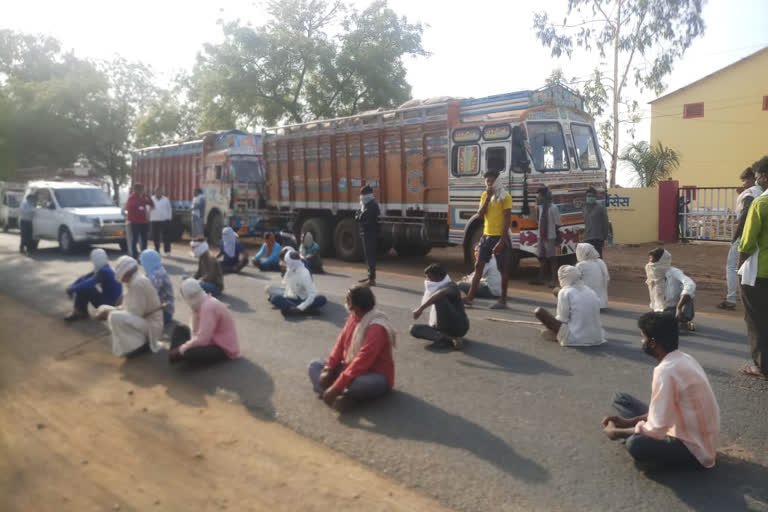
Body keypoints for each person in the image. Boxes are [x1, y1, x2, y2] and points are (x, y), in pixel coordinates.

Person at [602, 312, 720, 469]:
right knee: (621, 399)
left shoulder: (665, 371)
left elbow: (657, 429)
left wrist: (616, 432)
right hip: (690, 431)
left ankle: (657, 456)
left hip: (694, 450)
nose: (641, 341)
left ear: (652, 343)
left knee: (635, 444)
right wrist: (628, 422)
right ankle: (636, 430)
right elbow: (664, 414)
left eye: (642, 337)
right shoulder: (684, 358)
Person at [308, 285, 395, 411]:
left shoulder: (377, 327)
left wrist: (337, 386)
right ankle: (344, 396)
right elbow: (340, 343)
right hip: (348, 368)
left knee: (359, 384)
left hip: (374, 376)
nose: (346, 304)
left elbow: (362, 361)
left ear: (354, 307)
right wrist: (329, 368)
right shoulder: (353, 317)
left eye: (348, 300)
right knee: (314, 366)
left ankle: (337, 393)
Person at [94, 256, 165, 357]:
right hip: (141, 318)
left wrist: (110, 312)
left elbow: (136, 313)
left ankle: (139, 344)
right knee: (103, 308)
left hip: (151, 324)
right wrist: (111, 310)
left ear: (127, 272)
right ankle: (135, 342)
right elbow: (128, 306)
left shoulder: (138, 283)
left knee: (114, 317)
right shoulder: (132, 280)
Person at [463, 169, 512, 309]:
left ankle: (503, 300)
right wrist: (487, 199)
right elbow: (480, 214)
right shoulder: (485, 195)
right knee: (478, 266)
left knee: (503, 269)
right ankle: (469, 298)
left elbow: (507, 221)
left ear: (497, 181)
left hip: (499, 236)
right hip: (486, 235)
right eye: (487, 181)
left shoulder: (505, 197)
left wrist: (502, 241)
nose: (489, 184)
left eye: (491, 181)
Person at [738, 157, 768, 379]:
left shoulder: (761, 203)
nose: (757, 180)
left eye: (758, 176)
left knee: (757, 319)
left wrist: (740, 265)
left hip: (759, 273)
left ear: (765, 176)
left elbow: (747, 242)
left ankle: (761, 366)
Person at [719, 167, 763, 310]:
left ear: (753, 179)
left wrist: (735, 236)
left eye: (745, 180)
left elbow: (745, 216)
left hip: (746, 234)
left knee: (732, 267)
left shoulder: (749, 194)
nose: (743, 183)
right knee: (753, 267)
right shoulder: (762, 192)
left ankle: (731, 299)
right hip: (761, 236)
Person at [168, 279, 240, 365]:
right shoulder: (201, 302)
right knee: (180, 329)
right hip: (210, 340)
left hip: (223, 348)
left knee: (189, 353)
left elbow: (203, 339)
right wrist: (184, 347)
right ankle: (177, 355)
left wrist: (181, 349)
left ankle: (178, 355)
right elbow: (195, 331)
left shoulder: (208, 307)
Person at [534, 265, 606, 347]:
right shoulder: (590, 290)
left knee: (538, 312)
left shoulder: (564, 292)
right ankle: (558, 334)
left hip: (577, 338)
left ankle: (559, 335)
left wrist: (550, 325)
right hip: (597, 336)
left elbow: (562, 318)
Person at [410, 263, 469, 350]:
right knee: (414, 329)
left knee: (439, 298)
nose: (427, 280)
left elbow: (441, 293)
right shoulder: (436, 287)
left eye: (429, 277)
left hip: (458, 326)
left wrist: (421, 309)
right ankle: (450, 339)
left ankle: (444, 336)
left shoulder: (451, 286)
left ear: (438, 277)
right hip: (440, 327)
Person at [64, 248, 123, 322]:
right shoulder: (105, 268)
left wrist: (72, 289)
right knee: (84, 284)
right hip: (113, 302)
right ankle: (81, 311)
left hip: (110, 305)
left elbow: (89, 283)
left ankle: (78, 312)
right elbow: (84, 277)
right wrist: (72, 287)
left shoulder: (104, 272)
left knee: (86, 288)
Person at [646, 248, 696, 333]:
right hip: (663, 309)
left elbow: (690, 284)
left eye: (654, 262)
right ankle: (674, 323)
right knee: (647, 322)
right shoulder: (652, 274)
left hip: (675, 308)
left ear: (662, 261)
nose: (651, 264)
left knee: (689, 294)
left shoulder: (674, 272)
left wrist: (679, 307)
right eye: (650, 261)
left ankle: (683, 320)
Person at [268, 250, 327, 316]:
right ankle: (306, 310)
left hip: (304, 299)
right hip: (293, 298)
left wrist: (300, 308)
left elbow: (312, 294)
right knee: (274, 298)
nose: (286, 264)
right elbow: (286, 285)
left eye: (287, 262)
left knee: (322, 299)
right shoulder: (290, 270)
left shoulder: (305, 273)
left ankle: (297, 310)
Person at [531, 186, 561, 287]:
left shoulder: (553, 208)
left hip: (550, 236)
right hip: (541, 236)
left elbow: (557, 224)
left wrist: (558, 238)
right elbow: (537, 220)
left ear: (545, 196)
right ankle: (541, 278)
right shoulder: (539, 208)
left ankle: (554, 280)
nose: (538, 197)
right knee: (542, 258)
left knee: (552, 259)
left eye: (539, 195)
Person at [140, 249, 174, 326]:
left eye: (143, 260)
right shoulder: (155, 270)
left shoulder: (157, 274)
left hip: (164, 313)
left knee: (135, 321)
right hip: (161, 309)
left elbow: (149, 295)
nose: (142, 263)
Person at [355, 185, 380, 286]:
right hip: (367, 233)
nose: (361, 197)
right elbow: (359, 216)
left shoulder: (371, 205)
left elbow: (359, 217)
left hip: (370, 233)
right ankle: (370, 276)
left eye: (362, 195)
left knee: (370, 256)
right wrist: (359, 214)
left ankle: (371, 279)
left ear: (367, 195)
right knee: (368, 256)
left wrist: (358, 214)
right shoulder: (367, 205)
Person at [575, 242, 609, 309]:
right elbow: (607, 278)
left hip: (588, 304)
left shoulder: (581, 265)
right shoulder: (600, 262)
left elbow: (574, 279)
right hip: (602, 303)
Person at [124, 183, 154, 259]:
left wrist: (148, 196)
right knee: (135, 239)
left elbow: (151, 204)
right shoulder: (132, 197)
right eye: (141, 189)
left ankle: (144, 255)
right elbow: (129, 207)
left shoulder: (143, 197)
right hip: (135, 222)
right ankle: (134, 255)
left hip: (143, 222)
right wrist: (140, 205)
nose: (142, 191)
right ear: (136, 189)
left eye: (142, 189)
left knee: (144, 240)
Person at [582, 186, 610, 257]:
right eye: (588, 196)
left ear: (595, 196)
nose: (590, 197)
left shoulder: (601, 208)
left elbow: (605, 223)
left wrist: (604, 236)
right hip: (587, 238)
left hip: (598, 238)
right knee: (587, 258)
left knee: (598, 258)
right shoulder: (584, 208)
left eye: (592, 196)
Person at [150, 187, 172, 255]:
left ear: (162, 192)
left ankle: (167, 251)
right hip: (154, 220)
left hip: (164, 220)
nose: (159, 193)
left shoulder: (166, 199)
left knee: (166, 236)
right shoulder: (151, 199)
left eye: (160, 191)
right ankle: (157, 250)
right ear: (155, 192)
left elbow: (169, 209)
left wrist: (169, 218)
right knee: (155, 236)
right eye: (157, 191)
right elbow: (147, 208)